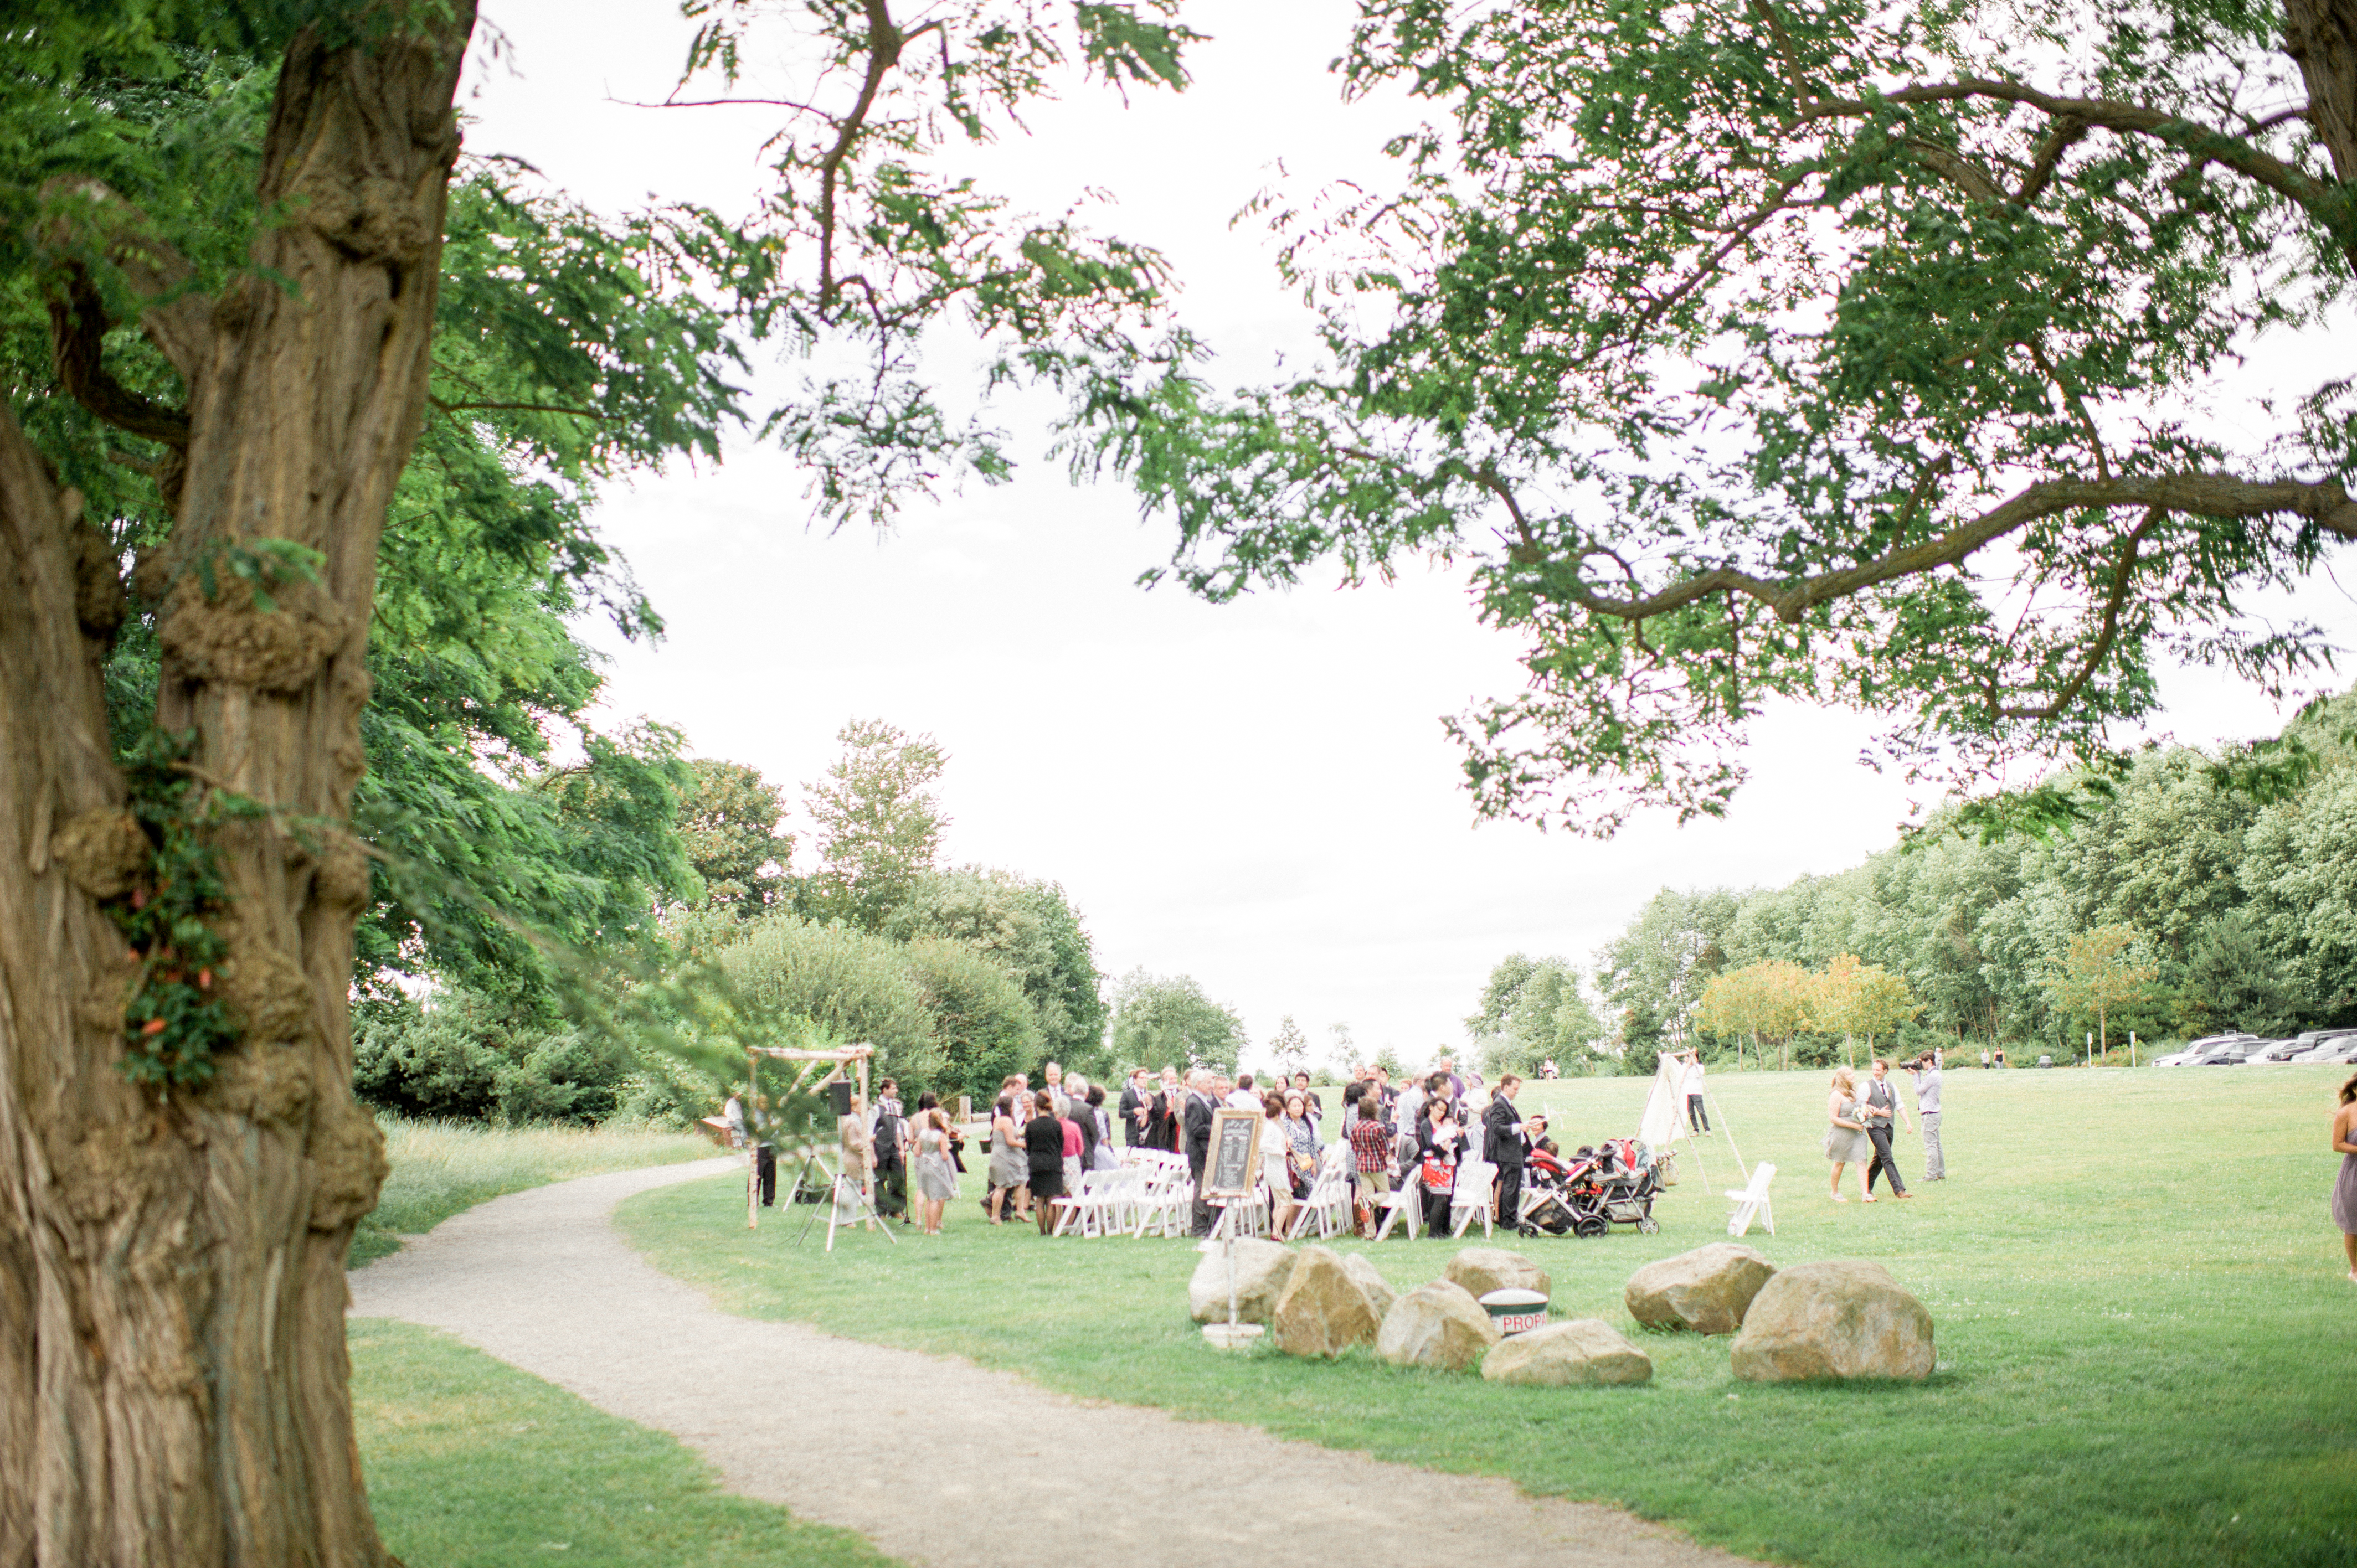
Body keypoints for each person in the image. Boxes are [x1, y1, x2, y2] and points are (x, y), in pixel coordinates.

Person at [1859, 1057, 1916, 1200]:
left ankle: (1866, 1187)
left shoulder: (1892, 1086)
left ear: (1886, 1071)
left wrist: (1908, 1123)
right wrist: (1878, 1112)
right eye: (1873, 1069)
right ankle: (1900, 1190)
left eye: (1878, 1070)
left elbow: (1899, 1105)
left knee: (1879, 1158)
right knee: (1887, 1157)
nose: (1875, 1072)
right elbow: (1862, 1106)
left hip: (1889, 1126)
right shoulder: (1866, 1086)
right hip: (1874, 1126)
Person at [1483, 1074, 1527, 1228]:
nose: (1517, 1092)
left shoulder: (1506, 1103)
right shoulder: (1499, 1104)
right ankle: (1508, 1221)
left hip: (1511, 1152)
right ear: (1506, 1087)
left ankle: (1506, 1219)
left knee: (1509, 1187)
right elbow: (1497, 1128)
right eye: (1515, 1089)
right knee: (1511, 1188)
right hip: (1508, 1153)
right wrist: (1518, 1127)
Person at [1824, 1067, 1872, 1202]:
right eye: (1850, 1074)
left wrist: (1867, 1113)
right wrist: (1853, 1125)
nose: (1853, 1076)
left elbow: (1861, 1108)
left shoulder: (1854, 1092)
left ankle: (1865, 1194)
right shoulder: (1836, 1095)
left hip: (1859, 1133)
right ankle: (1835, 1192)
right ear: (1842, 1078)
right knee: (1840, 1163)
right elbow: (1833, 1118)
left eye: (1853, 1073)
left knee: (1862, 1161)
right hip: (1842, 1134)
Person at [1025, 1090, 1067, 1236]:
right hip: (1053, 1163)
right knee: (1051, 1201)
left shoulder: (1030, 1126)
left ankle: (1042, 1232)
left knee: (1040, 1200)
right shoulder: (1056, 1125)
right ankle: (1050, 1231)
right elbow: (1061, 1146)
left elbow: (1028, 1148)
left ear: (1036, 1105)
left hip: (1036, 1164)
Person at [913, 1106, 958, 1235]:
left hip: (924, 1165)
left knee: (929, 1197)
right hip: (936, 1166)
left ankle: (927, 1228)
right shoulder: (940, 1135)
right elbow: (944, 1156)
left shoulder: (922, 1133)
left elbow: (917, 1152)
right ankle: (933, 1229)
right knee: (935, 1199)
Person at [986, 1093, 1029, 1225]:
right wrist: (1024, 1144)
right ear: (1009, 1106)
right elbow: (1010, 1141)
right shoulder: (1007, 1120)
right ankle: (995, 1216)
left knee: (1021, 1179)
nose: (1015, 1106)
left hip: (1003, 1154)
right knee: (1002, 1187)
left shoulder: (998, 1119)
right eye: (1013, 1104)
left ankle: (1020, 1211)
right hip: (1005, 1156)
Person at [871, 1081, 909, 1223]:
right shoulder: (875, 1107)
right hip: (880, 1146)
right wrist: (873, 1154)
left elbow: (898, 1128)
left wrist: (901, 1149)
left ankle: (896, 1209)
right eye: (893, 1088)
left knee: (899, 1177)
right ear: (884, 1090)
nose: (896, 1091)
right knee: (879, 1179)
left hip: (894, 1146)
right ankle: (880, 1211)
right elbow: (870, 1130)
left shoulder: (896, 1106)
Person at [1184, 1070, 1217, 1236]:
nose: (1212, 1086)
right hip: (1199, 1152)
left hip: (1206, 1152)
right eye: (1209, 1083)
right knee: (1201, 1190)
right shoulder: (1194, 1102)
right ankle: (1199, 1229)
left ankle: (1208, 1226)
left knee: (1205, 1188)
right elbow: (1195, 1129)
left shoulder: (1204, 1100)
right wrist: (1218, 1126)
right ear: (1199, 1085)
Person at [2333, 1073, 2357, 1281]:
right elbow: (2337, 1144)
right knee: (2353, 1223)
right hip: (2354, 1174)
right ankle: (2355, 1270)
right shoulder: (2347, 1113)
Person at [1909, 1053, 1946, 1180]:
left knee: (1931, 1145)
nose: (1920, 1065)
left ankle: (1931, 1175)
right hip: (1934, 1113)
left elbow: (1918, 1090)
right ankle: (1940, 1173)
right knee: (1936, 1145)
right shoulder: (1934, 1075)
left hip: (1930, 1114)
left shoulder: (1932, 1076)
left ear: (1929, 1061)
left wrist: (1916, 1076)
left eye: (1922, 1062)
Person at [1680, 1050, 1710, 1133]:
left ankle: (1707, 1129)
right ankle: (1696, 1130)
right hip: (1688, 1092)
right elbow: (1682, 1074)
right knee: (1691, 1113)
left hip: (1697, 1092)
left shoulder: (1700, 1067)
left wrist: (1692, 1065)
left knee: (1701, 1112)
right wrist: (1687, 1065)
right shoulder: (1685, 1067)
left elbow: (1698, 1074)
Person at [1120, 1067, 1150, 1147]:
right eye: (1142, 1078)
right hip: (1133, 1135)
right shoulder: (1127, 1095)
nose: (1144, 1080)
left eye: (1146, 1078)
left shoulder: (1149, 1096)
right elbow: (1121, 1113)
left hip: (1147, 1135)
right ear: (1135, 1080)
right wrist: (1133, 1112)